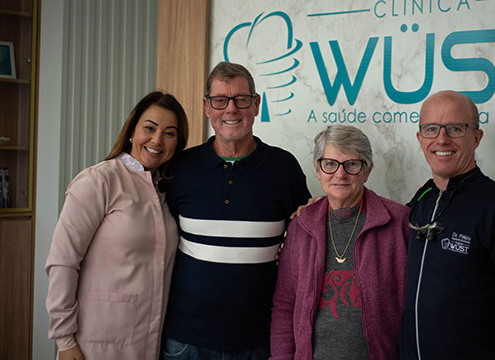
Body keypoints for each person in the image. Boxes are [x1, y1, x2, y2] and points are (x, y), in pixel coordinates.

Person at [160, 62, 311, 360]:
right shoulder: (181, 168)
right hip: (186, 341)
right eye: (220, 100)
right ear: (207, 106)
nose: (231, 109)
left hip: (258, 340)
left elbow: (305, 234)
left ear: (256, 105)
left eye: (241, 99)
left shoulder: (284, 168)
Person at [46, 91, 190, 360]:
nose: (157, 140)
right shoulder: (99, 181)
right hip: (95, 343)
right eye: (149, 128)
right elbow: (63, 263)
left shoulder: (167, 191)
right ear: (132, 131)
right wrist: (65, 340)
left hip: (150, 342)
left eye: (169, 133)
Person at [398, 90, 495, 360]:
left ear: (476, 137)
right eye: (431, 129)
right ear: (420, 139)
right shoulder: (419, 202)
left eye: (455, 128)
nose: (442, 139)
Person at [270, 125, 411, 360]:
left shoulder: (399, 222)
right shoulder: (301, 226)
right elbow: (285, 304)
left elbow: (415, 308)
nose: (340, 174)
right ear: (317, 169)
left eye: (352, 164)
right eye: (330, 164)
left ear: (367, 170)